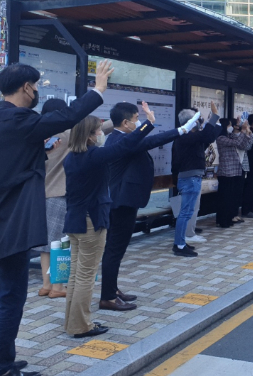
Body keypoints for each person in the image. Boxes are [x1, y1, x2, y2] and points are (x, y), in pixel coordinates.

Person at [0, 61, 110, 376]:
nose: (37, 92)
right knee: (10, 297)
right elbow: (69, 116)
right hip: (10, 227)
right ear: (25, 88)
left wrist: (39, 157)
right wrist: (98, 90)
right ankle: (4, 366)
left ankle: (5, 357)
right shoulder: (21, 120)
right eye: (36, 87)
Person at [99, 101, 198, 312]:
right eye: (136, 119)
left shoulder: (122, 138)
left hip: (126, 200)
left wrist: (148, 123)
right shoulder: (120, 140)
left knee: (117, 248)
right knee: (114, 249)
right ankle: (107, 296)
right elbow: (151, 140)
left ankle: (112, 289)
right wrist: (180, 130)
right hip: (122, 202)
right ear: (125, 123)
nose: (138, 123)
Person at [62, 113, 153, 339]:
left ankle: (72, 321)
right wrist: (147, 124)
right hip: (92, 221)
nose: (102, 134)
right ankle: (82, 325)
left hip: (74, 220)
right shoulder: (94, 156)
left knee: (75, 275)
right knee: (85, 276)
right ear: (91, 136)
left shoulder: (71, 156)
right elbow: (126, 144)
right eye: (99, 130)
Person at [32, 99, 71, 301]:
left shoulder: (39, 135)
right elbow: (96, 128)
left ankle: (46, 285)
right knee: (59, 243)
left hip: (41, 194)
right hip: (59, 194)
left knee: (46, 243)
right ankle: (58, 286)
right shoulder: (65, 135)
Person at [170, 103, 220, 257]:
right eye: (197, 120)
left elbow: (209, 136)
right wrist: (214, 116)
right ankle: (179, 245)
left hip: (190, 178)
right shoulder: (185, 137)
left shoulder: (189, 138)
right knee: (185, 213)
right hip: (190, 179)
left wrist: (214, 121)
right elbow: (206, 135)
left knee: (187, 212)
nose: (199, 123)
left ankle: (181, 242)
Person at [215, 117, 253, 228]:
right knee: (224, 197)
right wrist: (241, 131)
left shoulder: (229, 136)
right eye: (230, 125)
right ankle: (222, 220)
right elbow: (237, 142)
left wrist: (247, 132)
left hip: (234, 170)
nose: (231, 127)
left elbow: (243, 144)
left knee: (231, 197)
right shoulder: (221, 138)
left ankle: (228, 218)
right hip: (225, 171)